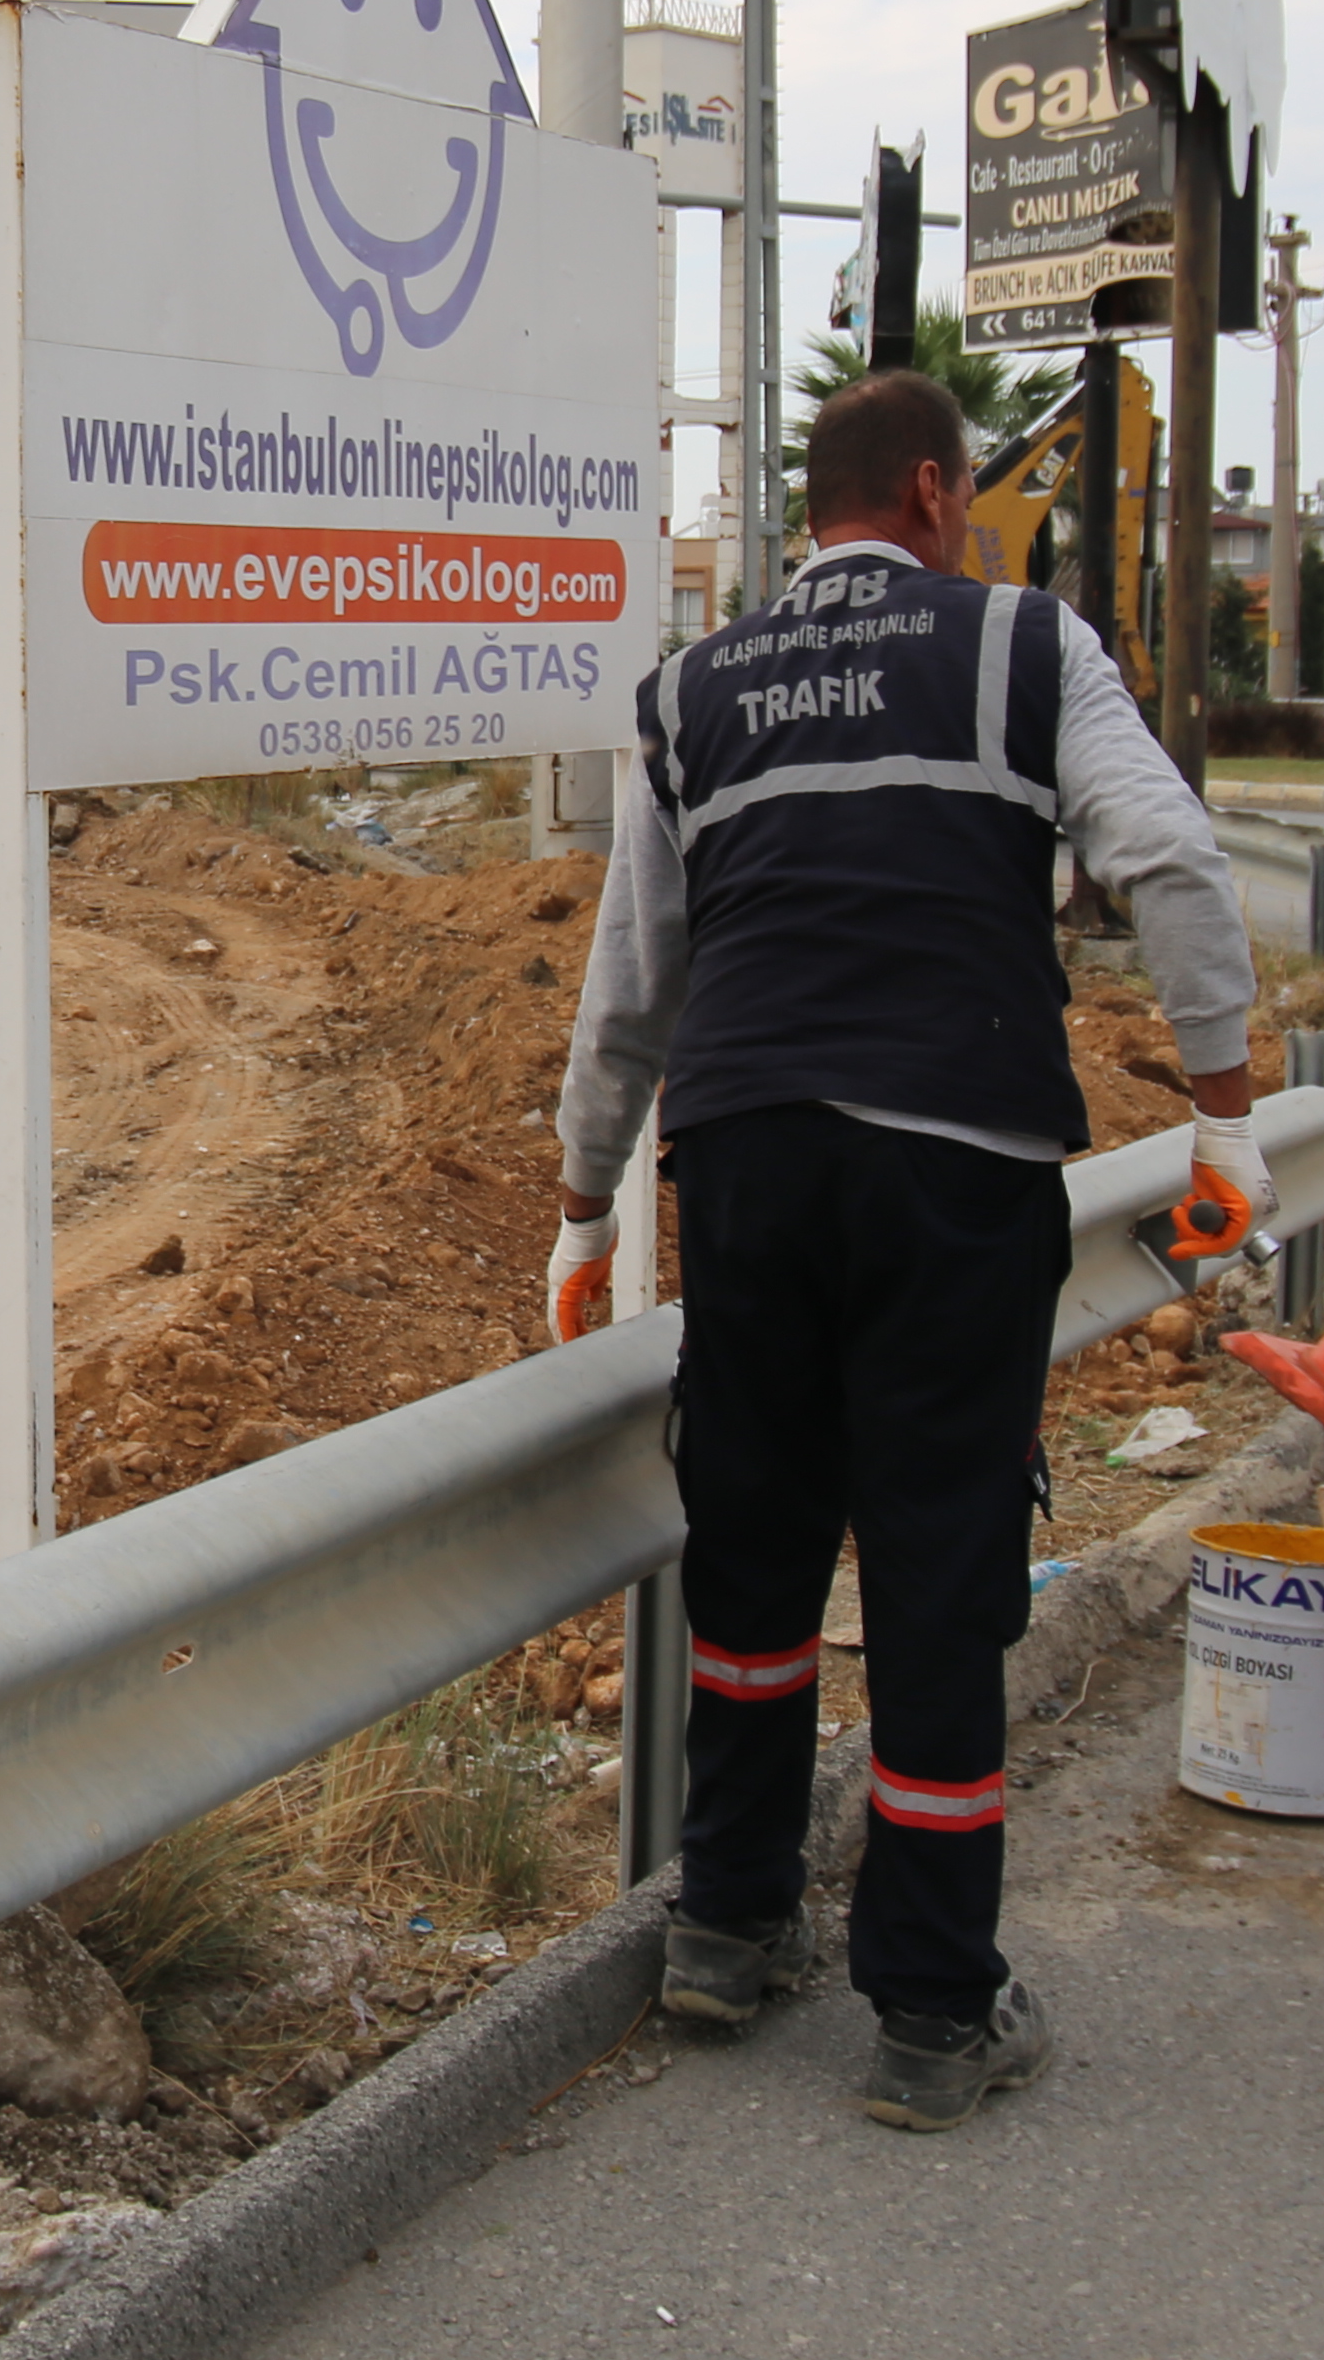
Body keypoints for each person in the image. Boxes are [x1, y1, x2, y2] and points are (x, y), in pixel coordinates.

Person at [543, 369, 1272, 2133]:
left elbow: (631, 985)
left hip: (746, 1157)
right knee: (937, 1569)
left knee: (758, 1538)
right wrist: (1230, 1110)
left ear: (816, 508)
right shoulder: (1022, 645)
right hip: (955, 1153)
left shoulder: (688, 690)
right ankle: (934, 2007)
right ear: (939, 492)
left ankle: (724, 1923)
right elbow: (1166, 855)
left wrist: (581, 1206)